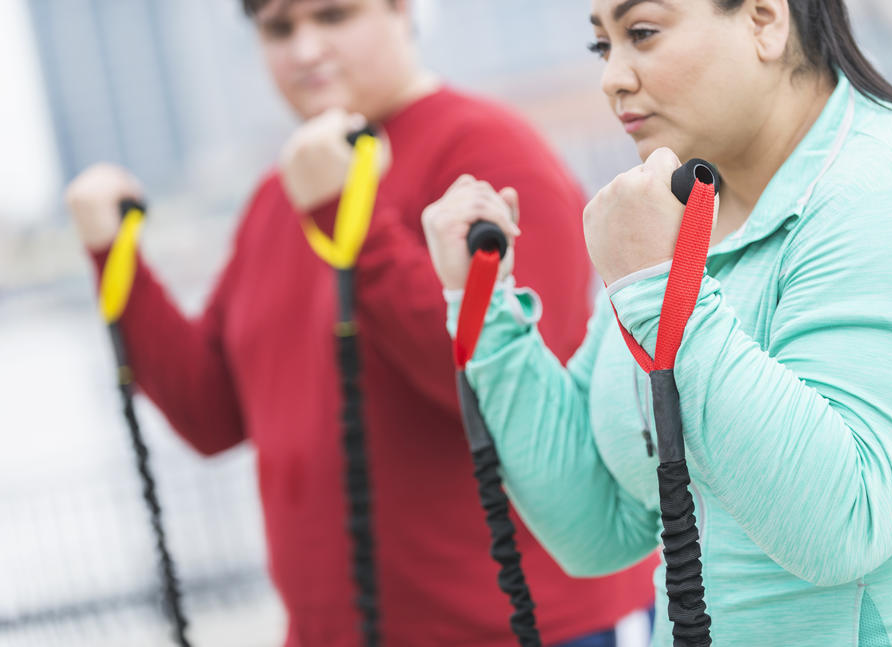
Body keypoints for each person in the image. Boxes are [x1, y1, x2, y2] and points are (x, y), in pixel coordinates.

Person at [64, 0, 655, 645]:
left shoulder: (486, 145)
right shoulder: (278, 196)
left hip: (527, 626)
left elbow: (510, 388)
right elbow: (211, 414)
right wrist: (116, 263)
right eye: (279, 29)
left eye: (333, 16)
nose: (305, 50)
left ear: (402, 11)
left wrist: (345, 213)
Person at [421, 0, 892, 645]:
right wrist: (485, 307)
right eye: (603, 46)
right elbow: (595, 522)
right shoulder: (672, 214)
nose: (612, 77)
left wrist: (658, 289)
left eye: (641, 33)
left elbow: (843, 525)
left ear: (764, 19)